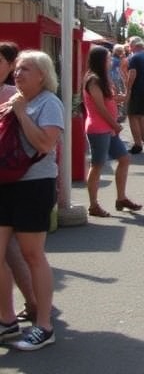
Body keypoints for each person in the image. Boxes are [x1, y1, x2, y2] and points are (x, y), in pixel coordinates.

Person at [0, 50, 64, 350]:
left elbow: (45, 143)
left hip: (34, 185)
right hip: (6, 184)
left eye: (26, 69)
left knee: (32, 255)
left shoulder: (49, 103)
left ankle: (44, 325)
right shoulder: (14, 99)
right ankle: (7, 321)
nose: (19, 73)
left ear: (42, 75)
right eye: (18, 69)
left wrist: (22, 113)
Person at [0, 43, 36, 326]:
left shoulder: (14, 96)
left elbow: (39, 143)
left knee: (10, 249)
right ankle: (30, 303)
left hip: (9, 178)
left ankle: (12, 315)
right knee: (9, 249)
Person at [82, 46, 142, 217]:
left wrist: (121, 94)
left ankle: (121, 198)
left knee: (124, 159)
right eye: (108, 58)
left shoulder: (102, 79)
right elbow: (99, 107)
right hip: (99, 128)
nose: (110, 61)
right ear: (100, 60)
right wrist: (115, 125)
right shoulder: (93, 80)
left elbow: (107, 99)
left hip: (108, 128)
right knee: (97, 165)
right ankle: (93, 205)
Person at [124, 36, 144, 153]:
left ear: (134, 45)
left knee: (133, 116)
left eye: (130, 45)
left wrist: (128, 90)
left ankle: (137, 144)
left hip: (137, 90)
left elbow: (132, 75)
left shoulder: (134, 58)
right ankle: (142, 137)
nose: (129, 47)